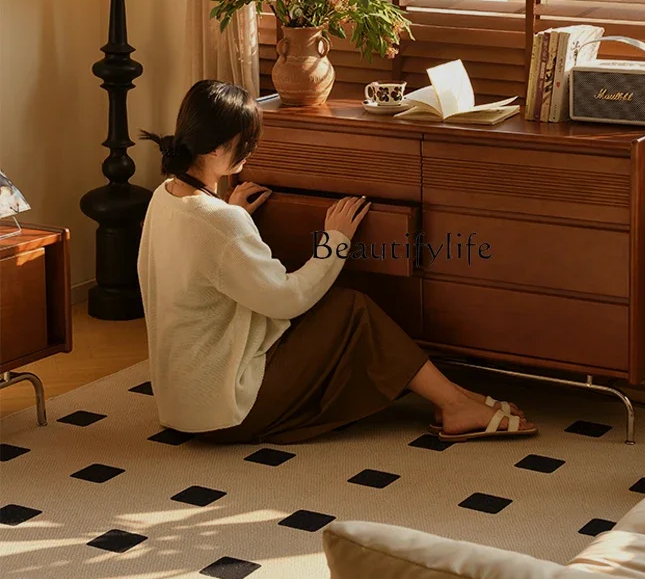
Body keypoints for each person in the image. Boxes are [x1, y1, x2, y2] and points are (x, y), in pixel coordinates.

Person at [137, 79, 536, 445]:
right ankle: (455, 404)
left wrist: (231, 210)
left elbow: (202, 258)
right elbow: (287, 299)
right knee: (351, 309)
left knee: (342, 313)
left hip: (182, 404)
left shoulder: (165, 198)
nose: (253, 149)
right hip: (225, 411)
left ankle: (456, 397)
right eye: (247, 141)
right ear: (217, 148)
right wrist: (336, 241)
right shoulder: (220, 221)